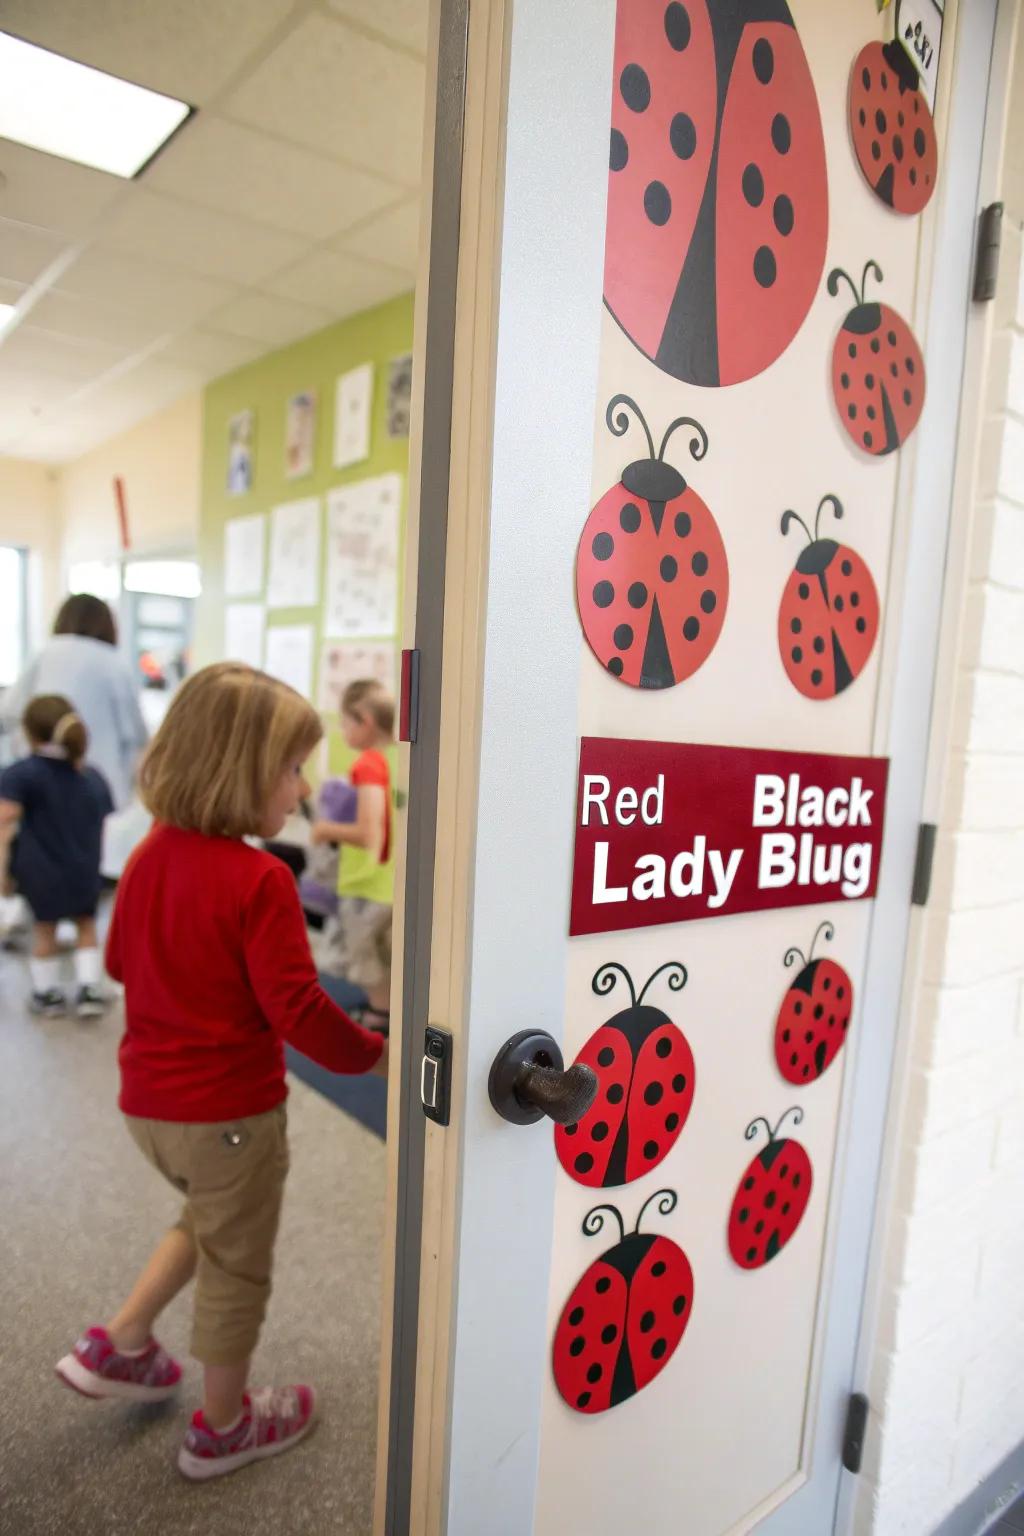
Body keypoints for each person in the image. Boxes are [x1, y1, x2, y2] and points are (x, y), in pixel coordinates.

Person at [53, 663, 387, 1481]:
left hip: (148, 1108)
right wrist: (377, 1053)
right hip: (229, 1117)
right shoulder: (261, 878)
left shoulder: (147, 856)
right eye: (290, 767)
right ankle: (223, 1426)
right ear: (240, 772)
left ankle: (122, 1342)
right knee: (239, 1264)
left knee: (207, 1219)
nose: (304, 786)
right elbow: (299, 1010)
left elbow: (126, 964)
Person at [0, 696, 113, 1018]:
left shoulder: (22, 775)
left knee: (44, 930)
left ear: (30, 732)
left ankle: (47, 994)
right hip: (86, 868)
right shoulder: (91, 775)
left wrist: (3, 873)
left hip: (41, 871)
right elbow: (105, 820)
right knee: (86, 925)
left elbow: (4, 820)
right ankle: (89, 989)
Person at [1, 594, 148, 811]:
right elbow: (135, 735)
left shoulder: (45, 653)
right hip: (101, 787)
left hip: (41, 783)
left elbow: (10, 712)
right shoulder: (115, 663)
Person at [312, 679, 395, 1029]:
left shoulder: (369, 765)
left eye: (346, 723)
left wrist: (324, 830)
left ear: (365, 721)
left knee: (365, 960)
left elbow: (368, 834)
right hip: (389, 883)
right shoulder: (400, 757)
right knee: (385, 956)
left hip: (367, 884)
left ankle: (379, 1021)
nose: (343, 732)